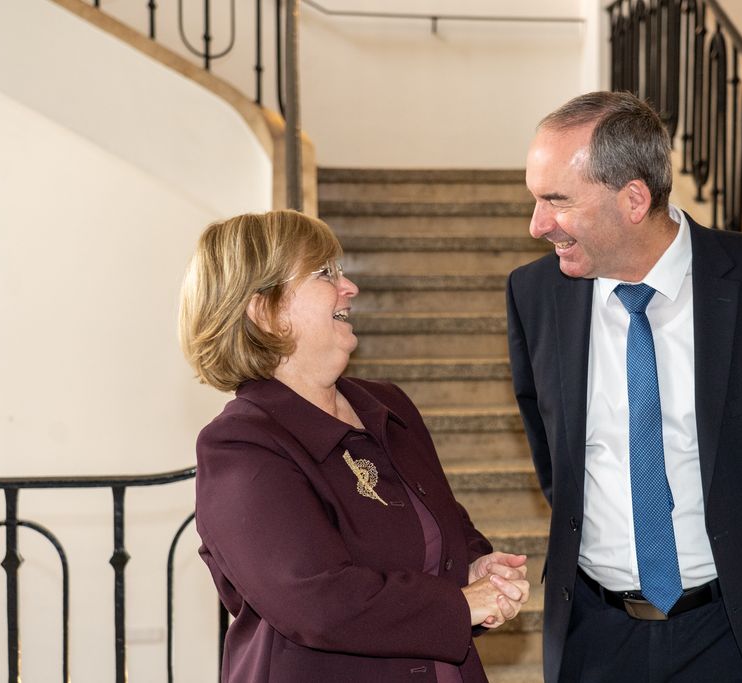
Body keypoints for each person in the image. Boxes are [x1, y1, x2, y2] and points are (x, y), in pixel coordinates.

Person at [506, 92, 742, 682]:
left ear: (634, 199)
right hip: (595, 638)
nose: (537, 225)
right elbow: (553, 457)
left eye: (556, 201)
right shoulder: (534, 296)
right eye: (535, 199)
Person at [179, 210, 530, 683]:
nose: (350, 287)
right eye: (325, 274)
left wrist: (475, 566)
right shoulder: (241, 444)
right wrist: (461, 603)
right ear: (264, 312)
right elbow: (315, 600)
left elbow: (446, 529)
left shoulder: (386, 405)